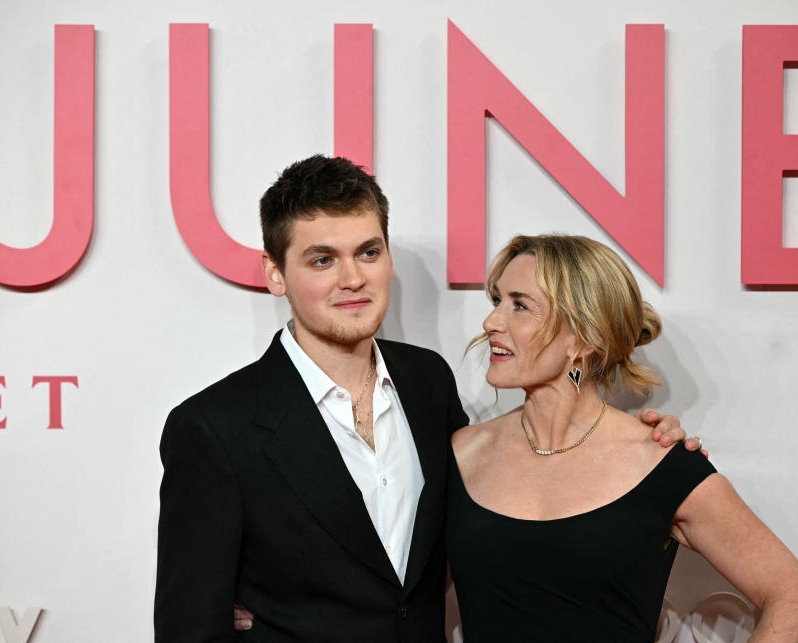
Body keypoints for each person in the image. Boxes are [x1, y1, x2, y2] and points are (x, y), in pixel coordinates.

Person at [154, 156, 698, 643]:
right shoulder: (213, 429)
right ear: (276, 274)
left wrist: (634, 448)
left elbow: (498, 507)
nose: (353, 279)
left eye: (368, 252)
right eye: (322, 260)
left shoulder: (428, 383)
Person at [446, 234, 798, 642]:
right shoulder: (462, 453)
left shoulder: (659, 461)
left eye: (519, 305)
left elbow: (795, 599)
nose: (491, 322)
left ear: (583, 337)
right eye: (497, 300)